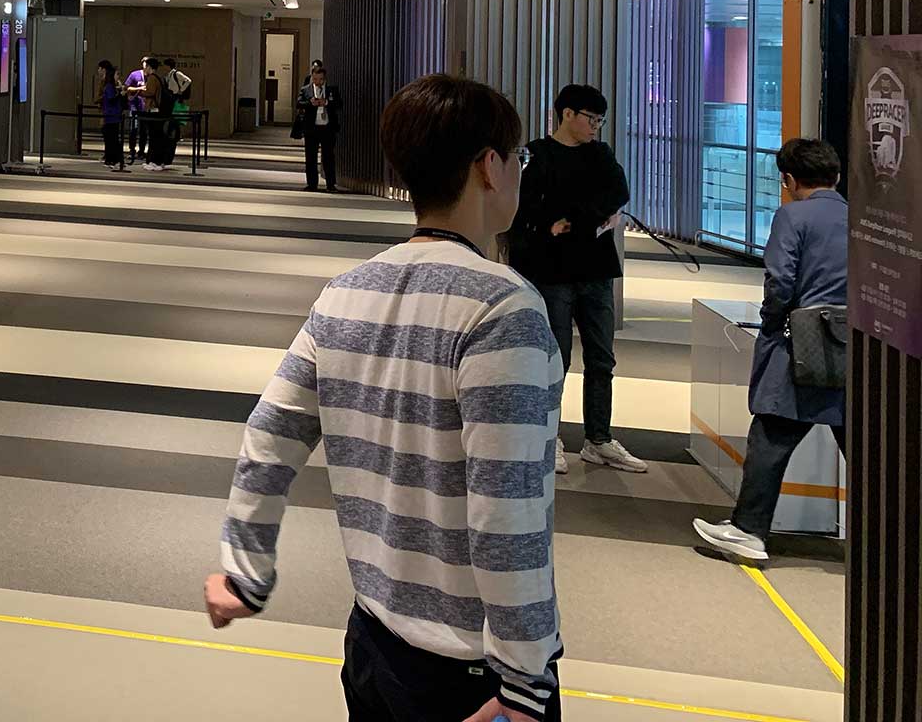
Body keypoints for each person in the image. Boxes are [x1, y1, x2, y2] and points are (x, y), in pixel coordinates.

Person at [205, 73, 563, 722]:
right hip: (472, 673)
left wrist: (244, 570)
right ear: (489, 167)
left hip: (372, 643)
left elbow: (270, 436)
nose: (520, 172)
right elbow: (505, 508)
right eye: (519, 158)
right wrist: (523, 678)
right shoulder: (503, 308)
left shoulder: (345, 292)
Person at [695, 139, 848, 563]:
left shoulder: (792, 216)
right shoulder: (858, 218)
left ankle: (749, 529)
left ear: (789, 179)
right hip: (851, 346)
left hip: (800, 344)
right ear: (836, 177)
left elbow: (780, 280)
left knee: (771, 436)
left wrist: (769, 323)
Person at [508, 83, 642, 475]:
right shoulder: (538, 155)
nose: (595, 126)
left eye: (600, 120)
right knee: (556, 358)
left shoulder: (600, 154)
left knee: (602, 358)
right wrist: (580, 219)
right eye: (591, 119)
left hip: (596, 270)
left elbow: (618, 193)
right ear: (567, 114)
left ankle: (599, 438)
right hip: (552, 272)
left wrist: (575, 220)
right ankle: (550, 436)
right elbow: (528, 211)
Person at [293, 61, 344, 192]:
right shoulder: (306, 90)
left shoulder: (332, 90)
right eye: (315, 79)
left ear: (324, 78)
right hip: (312, 128)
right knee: (311, 157)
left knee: (328, 157)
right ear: (312, 77)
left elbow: (339, 104)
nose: (318, 82)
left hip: (327, 128)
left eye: (320, 79)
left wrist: (326, 102)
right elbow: (298, 103)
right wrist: (310, 103)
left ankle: (330, 184)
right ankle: (312, 184)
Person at [95, 59, 127, 172]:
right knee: (111, 139)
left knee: (112, 139)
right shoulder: (109, 86)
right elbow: (111, 99)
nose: (118, 77)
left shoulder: (111, 86)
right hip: (111, 116)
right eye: (117, 74)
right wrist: (120, 94)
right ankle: (112, 159)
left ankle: (113, 159)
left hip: (112, 115)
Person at [124, 56, 154, 164]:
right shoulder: (134, 74)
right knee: (134, 128)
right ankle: (132, 149)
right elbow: (127, 87)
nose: (146, 66)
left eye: (148, 64)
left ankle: (141, 151)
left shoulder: (152, 77)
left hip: (145, 107)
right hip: (134, 106)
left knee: (144, 130)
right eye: (145, 63)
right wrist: (139, 88)